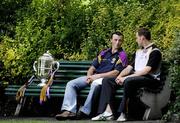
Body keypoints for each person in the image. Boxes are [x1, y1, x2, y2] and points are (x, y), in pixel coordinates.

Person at [92, 27, 162, 121]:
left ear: (142, 38)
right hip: (136, 78)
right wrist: (120, 76)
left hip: (151, 80)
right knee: (107, 81)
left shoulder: (155, 51)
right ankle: (108, 113)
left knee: (129, 81)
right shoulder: (138, 52)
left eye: (137, 38)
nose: (136, 40)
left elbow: (146, 71)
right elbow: (129, 67)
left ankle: (123, 113)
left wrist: (126, 78)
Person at [55, 31, 128, 120]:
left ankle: (84, 112)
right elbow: (92, 68)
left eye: (120, 40)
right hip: (94, 77)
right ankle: (69, 111)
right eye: (115, 40)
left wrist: (97, 77)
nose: (117, 42)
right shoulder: (104, 53)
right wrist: (89, 76)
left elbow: (116, 73)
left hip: (105, 80)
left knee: (94, 84)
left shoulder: (122, 55)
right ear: (111, 40)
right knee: (71, 84)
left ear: (122, 42)